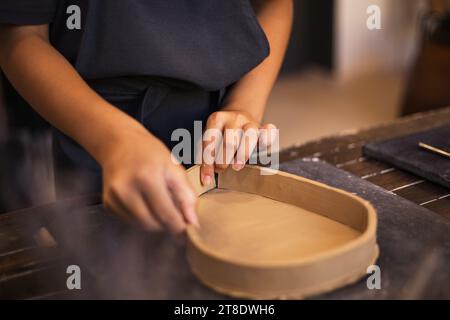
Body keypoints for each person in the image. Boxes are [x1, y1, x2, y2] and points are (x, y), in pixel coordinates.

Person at [0, 0, 293, 235]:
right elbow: (21, 37)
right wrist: (117, 141)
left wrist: (243, 105)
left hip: (218, 130)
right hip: (95, 125)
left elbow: (275, 4)